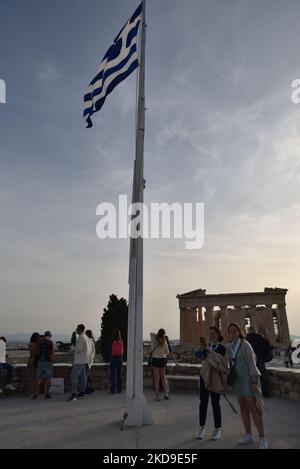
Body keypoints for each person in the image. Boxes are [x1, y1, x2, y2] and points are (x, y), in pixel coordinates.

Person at [227, 323, 268, 449]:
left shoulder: (245, 345)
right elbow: (229, 365)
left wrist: (254, 381)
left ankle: (262, 437)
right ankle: (248, 434)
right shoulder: (229, 348)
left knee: (253, 408)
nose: (233, 333)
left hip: (248, 380)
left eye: (235, 331)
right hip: (238, 381)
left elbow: (252, 363)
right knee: (243, 407)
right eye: (230, 332)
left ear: (239, 332)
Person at [195, 327, 226, 441]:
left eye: (214, 334)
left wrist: (209, 351)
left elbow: (220, 362)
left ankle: (217, 428)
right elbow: (198, 356)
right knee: (203, 403)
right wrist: (203, 349)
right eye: (210, 334)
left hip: (216, 378)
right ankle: (201, 427)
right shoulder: (206, 346)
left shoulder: (222, 348)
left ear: (218, 335)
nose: (212, 336)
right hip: (204, 377)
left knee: (215, 403)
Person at [246, 326, 271, 397]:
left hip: (252, 359)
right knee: (262, 376)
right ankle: (265, 392)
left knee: (252, 376)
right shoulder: (260, 337)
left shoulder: (248, 337)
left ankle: (253, 393)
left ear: (249, 330)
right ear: (255, 330)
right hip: (260, 359)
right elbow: (267, 345)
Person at [68, 324, 89, 401]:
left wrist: (72, 347)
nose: (76, 329)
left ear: (80, 329)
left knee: (73, 376)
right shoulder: (85, 337)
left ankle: (74, 394)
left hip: (80, 361)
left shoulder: (81, 337)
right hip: (84, 360)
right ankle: (82, 393)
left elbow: (78, 349)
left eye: (77, 328)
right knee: (83, 377)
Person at [150, 329, 170, 401]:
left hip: (155, 360)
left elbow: (151, 333)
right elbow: (167, 353)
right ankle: (166, 394)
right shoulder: (164, 342)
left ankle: (157, 396)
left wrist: (157, 336)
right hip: (163, 360)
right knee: (163, 377)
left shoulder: (154, 340)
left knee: (156, 379)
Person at [35, 331, 54, 399]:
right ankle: (46, 394)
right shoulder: (50, 343)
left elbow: (36, 352)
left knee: (38, 379)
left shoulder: (39, 342)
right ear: (49, 336)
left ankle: (35, 394)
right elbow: (52, 352)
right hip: (48, 362)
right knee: (48, 379)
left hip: (40, 362)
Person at [109, 330, 124, 394]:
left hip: (113, 358)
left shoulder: (112, 340)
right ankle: (119, 390)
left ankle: (113, 390)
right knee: (119, 375)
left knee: (113, 374)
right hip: (120, 358)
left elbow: (109, 349)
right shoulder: (121, 341)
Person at [25, 332, 40, 397]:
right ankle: (34, 392)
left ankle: (28, 392)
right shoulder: (36, 345)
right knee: (35, 377)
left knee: (29, 376)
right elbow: (37, 353)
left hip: (30, 360)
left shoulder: (30, 344)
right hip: (35, 361)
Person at [85, 330, 95, 395]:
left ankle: (88, 389)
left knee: (85, 376)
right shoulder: (91, 341)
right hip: (89, 361)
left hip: (87, 361)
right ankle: (89, 388)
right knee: (87, 376)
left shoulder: (88, 341)